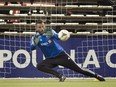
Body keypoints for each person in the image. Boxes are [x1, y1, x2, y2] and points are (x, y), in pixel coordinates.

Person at [30, 19, 105, 82]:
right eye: (39, 27)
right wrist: (36, 42)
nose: (42, 28)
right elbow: (32, 48)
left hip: (61, 55)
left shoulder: (49, 32)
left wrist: (64, 35)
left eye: (43, 26)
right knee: (39, 66)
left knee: (79, 69)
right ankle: (60, 76)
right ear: (36, 28)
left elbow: (59, 37)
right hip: (50, 59)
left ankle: (97, 76)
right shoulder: (35, 37)